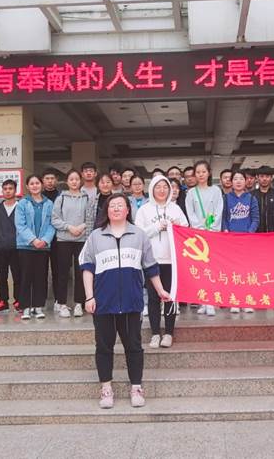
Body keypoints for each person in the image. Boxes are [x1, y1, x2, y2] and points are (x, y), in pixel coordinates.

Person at [80, 193, 171, 409]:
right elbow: (87, 268)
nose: (116, 209)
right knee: (104, 347)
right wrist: (89, 296)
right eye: (112, 205)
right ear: (107, 210)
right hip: (103, 303)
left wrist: (160, 290)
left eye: (120, 205)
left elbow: (150, 266)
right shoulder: (95, 236)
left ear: (128, 210)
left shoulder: (139, 235)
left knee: (134, 346)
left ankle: (136, 387)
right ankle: (106, 389)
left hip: (131, 302)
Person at [135, 175, 188, 348]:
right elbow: (139, 234)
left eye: (165, 187)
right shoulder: (144, 210)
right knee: (153, 298)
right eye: (158, 187)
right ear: (152, 189)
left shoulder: (175, 208)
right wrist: (157, 227)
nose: (162, 190)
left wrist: (177, 225)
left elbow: (186, 229)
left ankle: (169, 333)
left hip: (172, 260)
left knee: (170, 297)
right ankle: (155, 333)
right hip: (151, 260)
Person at [185, 160, 224, 316]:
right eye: (198, 172)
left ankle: (212, 301)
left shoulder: (216, 190)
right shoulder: (191, 193)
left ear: (209, 173)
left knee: (212, 268)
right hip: (198, 236)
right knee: (200, 269)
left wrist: (211, 227)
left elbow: (219, 210)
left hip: (213, 234)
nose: (201, 175)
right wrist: (200, 228)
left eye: (203, 172)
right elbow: (191, 213)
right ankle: (203, 301)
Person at [51, 169, 91, 318]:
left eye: (76, 179)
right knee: (62, 273)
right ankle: (62, 303)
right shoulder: (61, 198)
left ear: (80, 181)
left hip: (82, 239)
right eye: (71, 179)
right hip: (63, 240)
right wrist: (69, 227)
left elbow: (90, 217)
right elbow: (54, 219)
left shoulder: (87, 198)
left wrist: (82, 227)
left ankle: (79, 303)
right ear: (67, 182)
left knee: (81, 272)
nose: (74, 182)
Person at [15, 174, 55, 320]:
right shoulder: (22, 203)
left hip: (43, 247)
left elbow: (52, 224)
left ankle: (38, 306)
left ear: (41, 185)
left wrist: (44, 240)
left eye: (37, 183)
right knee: (25, 277)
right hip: (25, 246)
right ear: (27, 186)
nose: (35, 186)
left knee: (41, 277)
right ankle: (25, 307)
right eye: (31, 183)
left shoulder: (49, 203)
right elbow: (20, 224)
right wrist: (33, 240)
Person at [223, 170, 260, 313]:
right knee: (233, 271)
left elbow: (255, 219)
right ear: (231, 182)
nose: (238, 181)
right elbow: (223, 218)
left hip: (247, 240)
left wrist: (249, 233)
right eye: (235, 179)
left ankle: (247, 300)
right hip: (231, 240)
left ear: (246, 181)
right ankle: (235, 301)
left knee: (247, 271)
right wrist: (226, 231)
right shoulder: (226, 198)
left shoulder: (251, 198)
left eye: (241, 179)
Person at [0, 179, 21, 314]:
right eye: (5, 189)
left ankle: (18, 300)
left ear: (15, 190)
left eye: (10, 188)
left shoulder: (21, 207)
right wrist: (1, 240)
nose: (8, 191)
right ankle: (3, 301)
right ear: (2, 191)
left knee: (18, 276)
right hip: (1, 248)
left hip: (17, 247)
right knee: (1, 277)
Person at [42, 168, 61, 309]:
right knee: (41, 271)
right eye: (47, 178)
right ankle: (40, 300)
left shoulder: (62, 196)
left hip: (58, 239)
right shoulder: (38, 196)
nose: (50, 181)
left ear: (56, 180)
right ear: (43, 181)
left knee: (58, 271)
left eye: (52, 178)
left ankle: (58, 300)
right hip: (41, 239)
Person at [252, 165, 274, 233]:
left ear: (271, 178)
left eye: (267, 176)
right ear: (257, 178)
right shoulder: (252, 195)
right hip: (256, 233)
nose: (264, 179)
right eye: (262, 176)